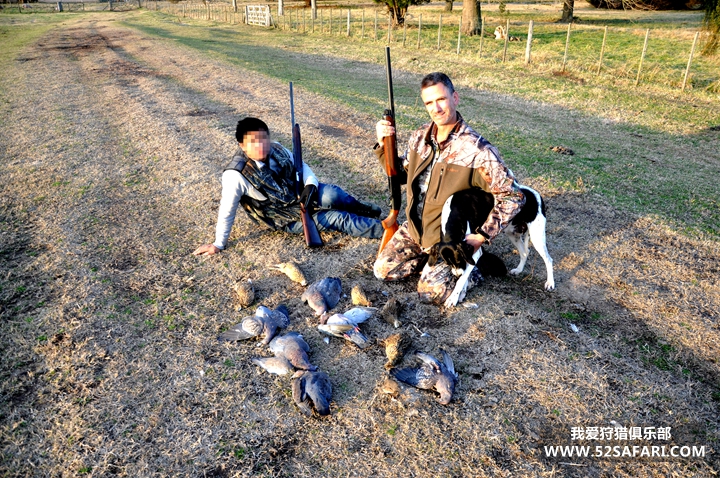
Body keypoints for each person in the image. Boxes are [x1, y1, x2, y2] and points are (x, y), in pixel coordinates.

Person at [373, 72, 525, 304]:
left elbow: (513, 196)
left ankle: (478, 266)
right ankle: (430, 260)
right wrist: (383, 144)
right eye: (429, 103)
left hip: (448, 237)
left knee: (430, 293)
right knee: (382, 270)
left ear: (455, 98)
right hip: (416, 229)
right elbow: (402, 174)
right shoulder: (419, 137)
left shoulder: (477, 149)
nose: (436, 108)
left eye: (441, 99)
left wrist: (481, 236)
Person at [193, 117, 383, 255]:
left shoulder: (276, 147)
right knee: (338, 219)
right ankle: (387, 230)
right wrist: (218, 243)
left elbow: (301, 166)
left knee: (333, 194)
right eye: (253, 142)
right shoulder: (235, 175)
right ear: (242, 145)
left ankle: (363, 209)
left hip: (299, 193)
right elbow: (227, 211)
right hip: (282, 216)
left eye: (263, 138)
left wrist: (310, 185)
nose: (261, 145)